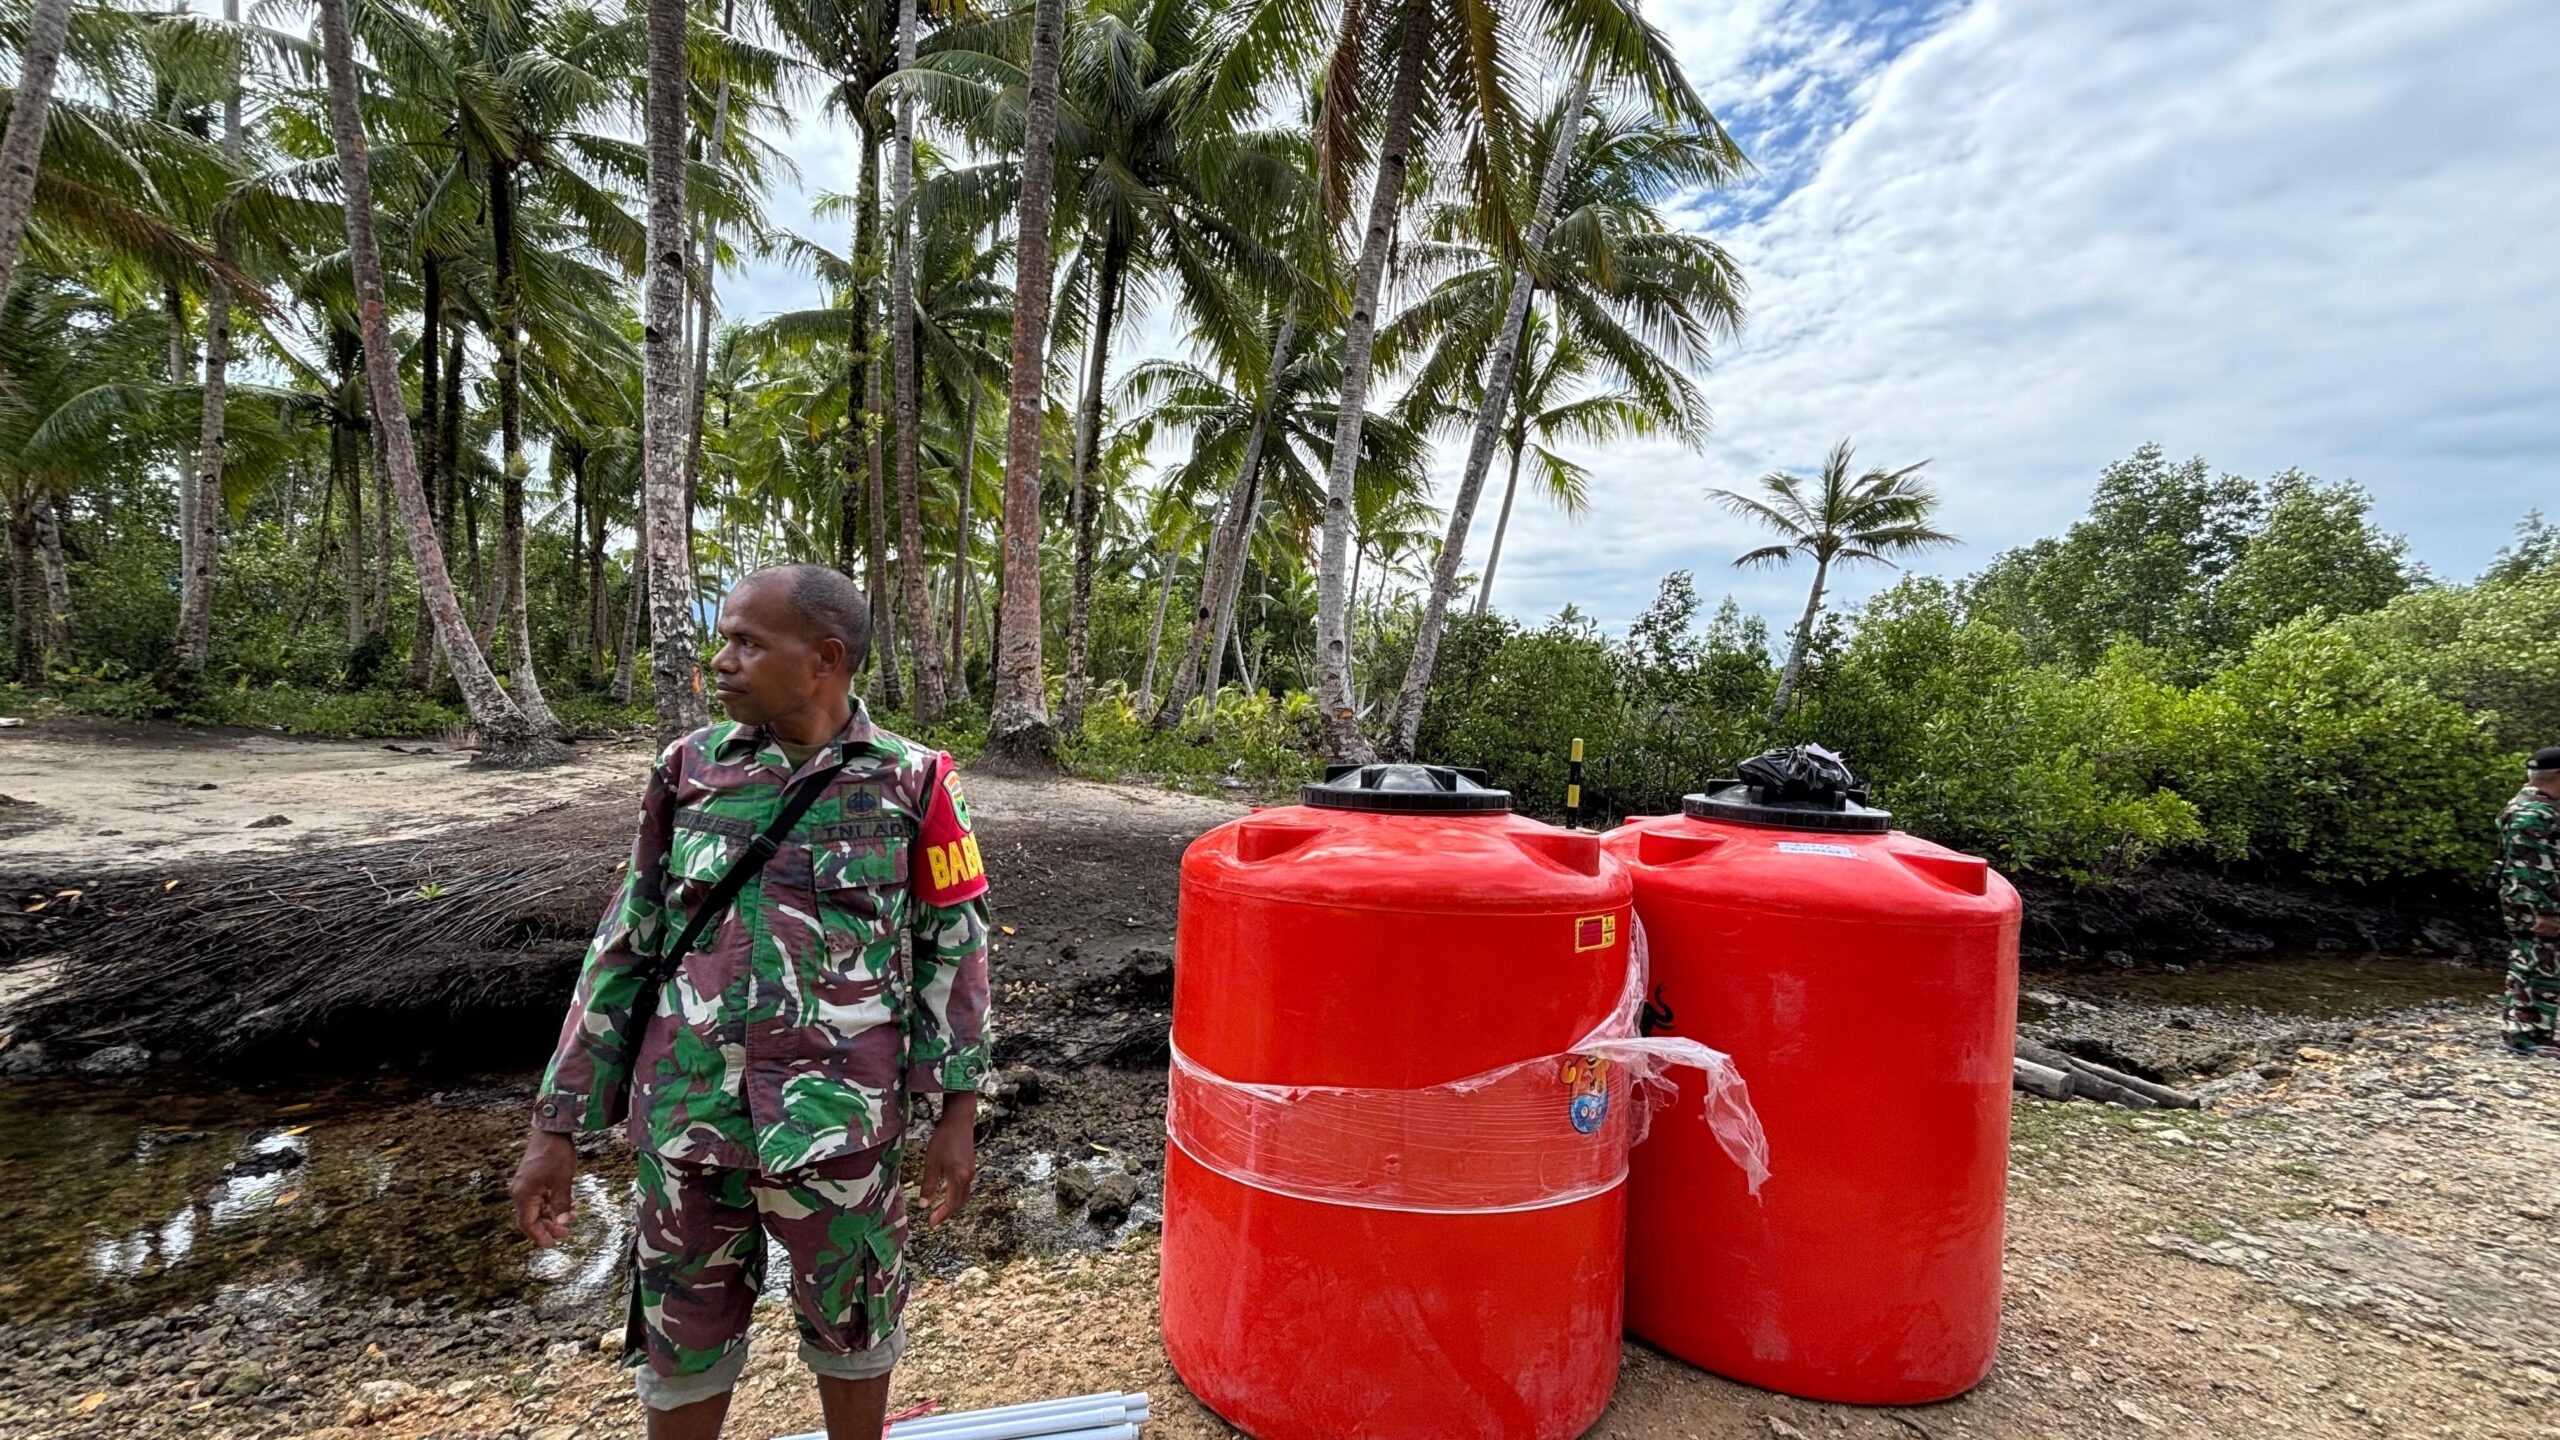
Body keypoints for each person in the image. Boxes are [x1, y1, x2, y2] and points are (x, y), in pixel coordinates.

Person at [509, 564, 991, 1439]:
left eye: (746, 643)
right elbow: (625, 944)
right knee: (679, 1350)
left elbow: (953, 954)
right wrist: (556, 1126)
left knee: (855, 1337)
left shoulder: (915, 784)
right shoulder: (687, 770)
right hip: (686, 1122)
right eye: (724, 638)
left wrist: (957, 1115)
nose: (720, 662)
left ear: (825, 660)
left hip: (840, 1130)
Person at [2496, 746, 2560, 1058]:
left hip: (2533, 903)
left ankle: (2536, 1032)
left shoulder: (2535, 805)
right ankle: (2523, 1035)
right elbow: (2530, 870)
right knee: (2535, 966)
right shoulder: (2532, 813)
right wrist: (2545, 912)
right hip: (2533, 905)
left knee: (2539, 965)